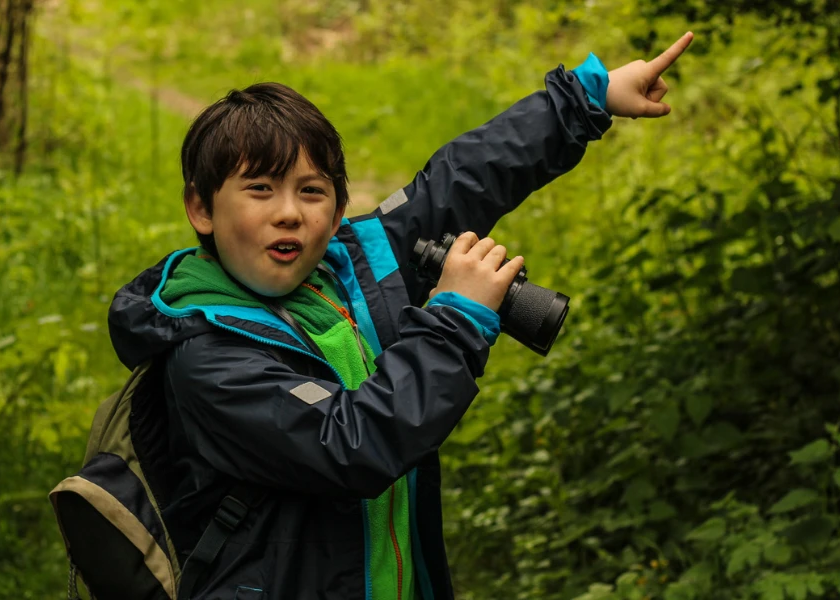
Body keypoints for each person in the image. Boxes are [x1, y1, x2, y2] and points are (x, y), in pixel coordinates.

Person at [107, 32, 694, 600]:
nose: (289, 213)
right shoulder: (205, 356)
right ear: (201, 208)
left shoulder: (350, 266)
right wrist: (456, 320)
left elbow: (462, 179)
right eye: (260, 189)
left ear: (339, 211)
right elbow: (349, 443)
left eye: (311, 192)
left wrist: (588, 97)